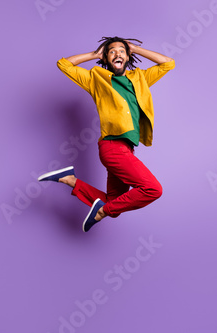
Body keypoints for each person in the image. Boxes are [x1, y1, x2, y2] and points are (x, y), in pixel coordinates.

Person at [38, 36, 175, 232]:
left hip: (126, 149)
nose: (117, 53)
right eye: (112, 51)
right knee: (153, 189)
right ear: (105, 58)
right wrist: (95, 54)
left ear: (127, 57)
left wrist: (135, 48)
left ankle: (70, 180)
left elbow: (168, 63)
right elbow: (64, 64)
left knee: (114, 203)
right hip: (112, 148)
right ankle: (101, 212)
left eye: (122, 50)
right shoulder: (96, 79)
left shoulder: (140, 79)